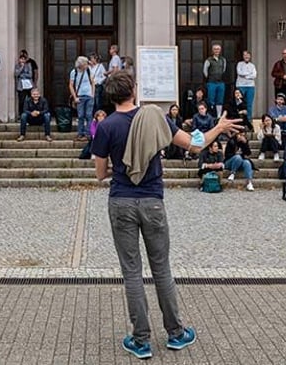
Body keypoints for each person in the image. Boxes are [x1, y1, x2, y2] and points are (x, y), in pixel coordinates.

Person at [91, 70, 243, 359]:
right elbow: (196, 144)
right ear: (133, 91)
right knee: (161, 268)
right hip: (152, 201)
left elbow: (100, 174)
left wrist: (122, 169)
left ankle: (141, 340)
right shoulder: (155, 117)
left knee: (132, 272)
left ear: (110, 97)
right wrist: (219, 128)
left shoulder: (107, 126)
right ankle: (175, 334)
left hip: (121, 201)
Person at [69, 56, 96, 142]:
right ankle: (80, 134)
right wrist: (75, 97)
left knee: (89, 115)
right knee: (80, 116)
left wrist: (93, 94)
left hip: (89, 96)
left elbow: (92, 82)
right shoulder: (74, 72)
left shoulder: (88, 70)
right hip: (79, 96)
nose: (87, 65)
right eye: (85, 64)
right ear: (81, 64)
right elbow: (71, 85)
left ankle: (89, 134)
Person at [203, 43, 228, 116]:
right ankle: (211, 114)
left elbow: (224, 70)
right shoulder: (209, 60)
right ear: (212, 50)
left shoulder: (223, 60)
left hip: (220, 82)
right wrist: (210, 77)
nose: (216, 50)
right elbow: (205, 71)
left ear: (220, 50)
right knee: (211, 99)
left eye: (218, 49)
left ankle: (219, 115)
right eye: (215, 49)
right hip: (211, 82)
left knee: (220, 99)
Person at [234, 50, 257, 120]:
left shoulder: (252, 65)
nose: (246, 56)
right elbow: (240, 73)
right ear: (243, 56)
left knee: (249, 104)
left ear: (250, 56)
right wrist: (249, 74)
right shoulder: (239, 64)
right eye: (245, 55)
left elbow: (254, 75)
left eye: (247, 55)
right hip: (240, 86)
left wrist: (246, 76)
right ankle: (239, 118)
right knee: (239, 102)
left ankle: (249, 119)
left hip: (250, 86)